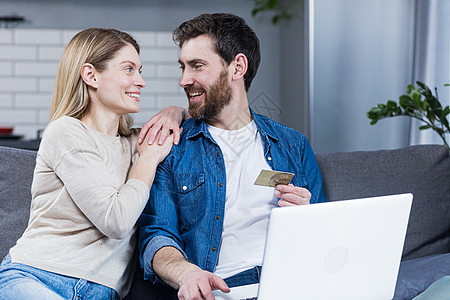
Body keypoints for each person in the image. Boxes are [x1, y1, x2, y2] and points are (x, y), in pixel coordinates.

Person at [137, 13, 327, 300]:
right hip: (224, 289)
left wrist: (309, 215)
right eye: (183, 67)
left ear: (237, 66)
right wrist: (185, 273)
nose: (184, 80)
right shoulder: (172, 147)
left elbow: (328, 232)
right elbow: (157, 234)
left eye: (197, 66)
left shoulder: (293, 144)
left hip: (294, 284)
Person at [0, 28, 186, 300]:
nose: (141, 81)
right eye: (129, 69)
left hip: (101, 292)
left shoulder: (138, 141)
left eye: (140, 71)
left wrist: (175, 111)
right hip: (36, 276)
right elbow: (116, 220)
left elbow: (208, 116)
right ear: (91, 75)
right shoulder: (66, 132)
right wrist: (148, 158)